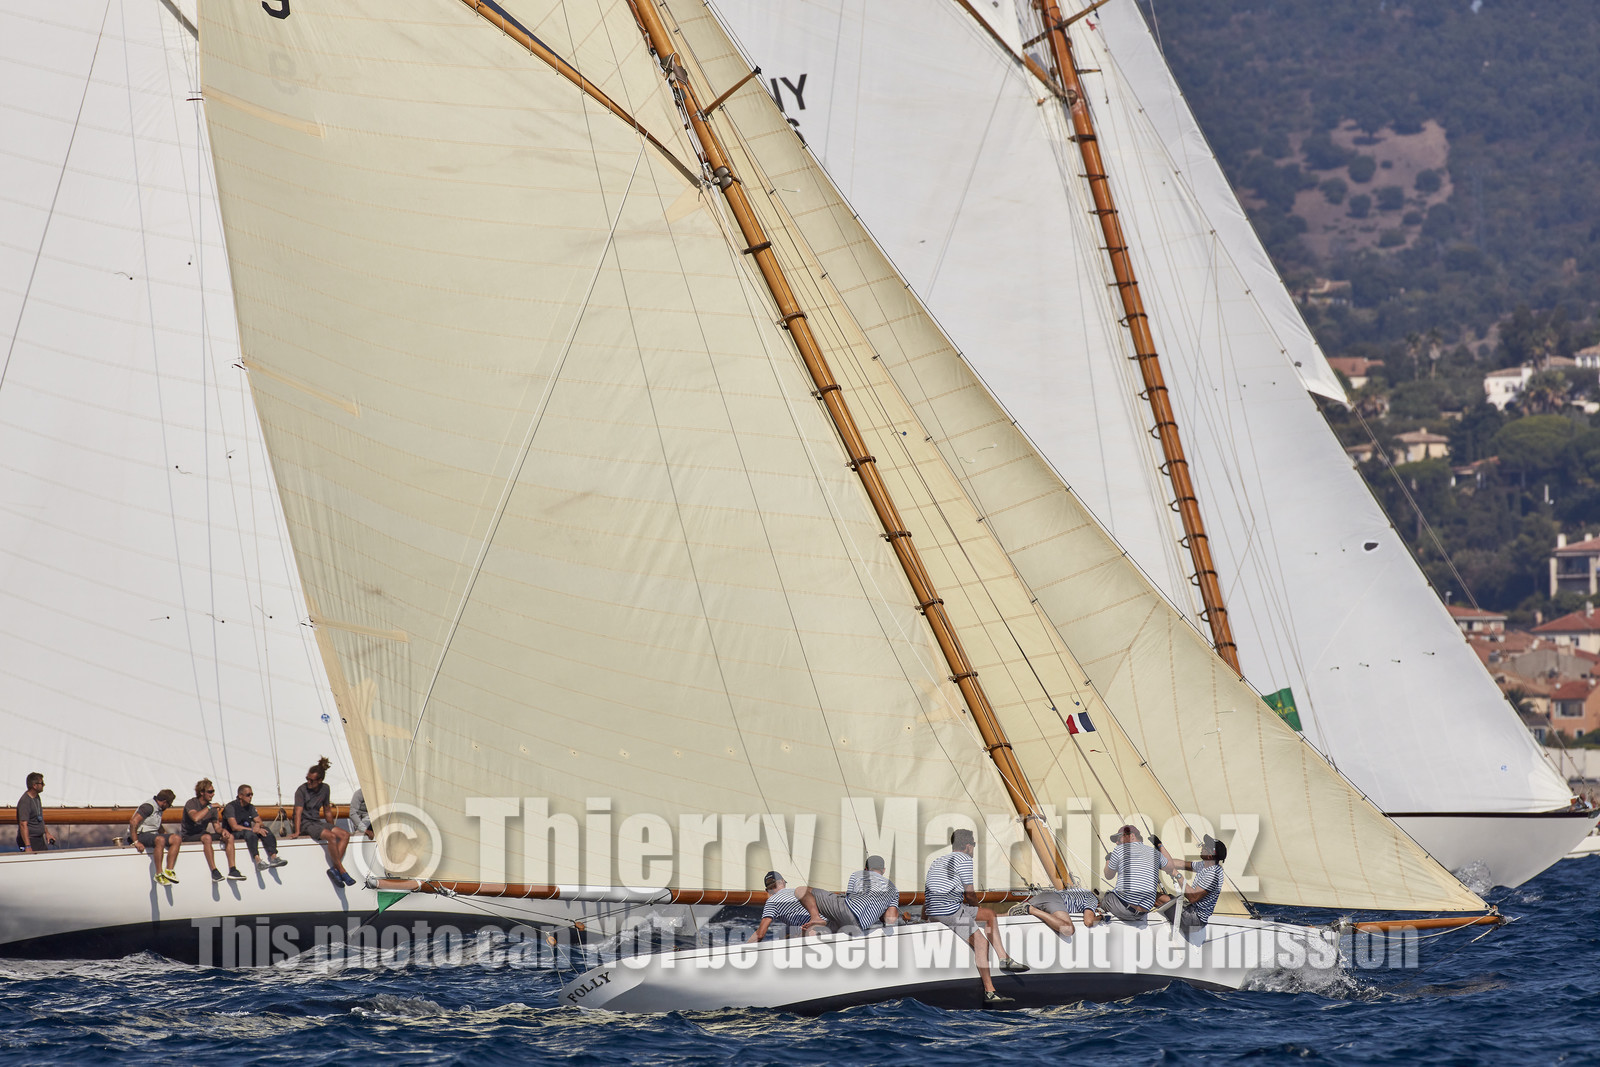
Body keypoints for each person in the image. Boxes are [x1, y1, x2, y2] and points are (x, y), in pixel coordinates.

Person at [924, 828, 1028, 1005]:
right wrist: (974, 908)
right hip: (949, 910)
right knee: (981, 942)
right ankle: (990, 991)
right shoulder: (964, 859)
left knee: (989, 914)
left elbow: (930, 890)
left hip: (936, 909)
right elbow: (970, 893)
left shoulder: (938, 860)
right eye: (973, 845)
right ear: (967, 846)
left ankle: (1004, 959)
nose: (973, 849)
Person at [295, 756, 353, 887]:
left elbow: (327, 810)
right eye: (307, 779)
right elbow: (298, 812)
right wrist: (297, 831)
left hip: (316, 821)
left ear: (320, 780)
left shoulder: (325, 788)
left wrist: (332, 826)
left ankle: (334, 869)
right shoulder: (301, 790)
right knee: (331, 837)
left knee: (344, 835)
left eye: (311, 780)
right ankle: (342, 870)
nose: (308, 782)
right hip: (306, 823)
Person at [1155, 834, 1228, 935]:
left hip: (1194, 921)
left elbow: (1192, 897)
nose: (1202, 848)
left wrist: (1178, 875)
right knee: (1160, 897)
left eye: (1205, 847)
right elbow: (1180, 864)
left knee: (1154, 897)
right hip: (1190, 910)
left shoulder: (1212, 875)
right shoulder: (1206, 864)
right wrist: (1159, 847)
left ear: (1211, 855)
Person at [1100, 824, 1170, 920]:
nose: (1116, 842)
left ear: (1131, 836)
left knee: (1105, 898)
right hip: (1142, 913)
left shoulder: (1119, 850)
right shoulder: (1154, 853)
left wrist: (1108, 860)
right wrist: (1159, 845)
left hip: (1124, 909)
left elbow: (1108, 875)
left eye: (1119, 838)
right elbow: (1170, 867)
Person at [223, 785, 288, 873]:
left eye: (252, 795)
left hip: (247, 831)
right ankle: (257, 860)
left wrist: (258, 825)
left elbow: (260, 822)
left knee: (266, 830)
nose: (250, 797)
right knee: (250, 833)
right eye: (248, 795)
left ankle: (274, 857)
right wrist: (253, 829)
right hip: (233, 833)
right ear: (240, 795)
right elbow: (234, 827)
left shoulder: (250, 807)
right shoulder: (230, 807)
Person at [748, 871, 827, 942]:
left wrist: (744, 950)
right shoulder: (797, 891)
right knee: (788, 931)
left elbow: (759, 935)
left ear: (767, 890)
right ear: (783, 882)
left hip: (814, 931)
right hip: (831, 922)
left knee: (784, 934)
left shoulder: (772, 901)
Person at [181, 779, 233, 882]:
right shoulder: (192, 803)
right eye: (210, 792)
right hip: (188, 835)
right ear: (201, 792)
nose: (213, 794)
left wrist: (223, 830)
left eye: (213, 791)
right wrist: (210, 806)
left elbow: (217, 827)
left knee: (229, 836)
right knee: (207, 837)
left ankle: (233, 869)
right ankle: (214, 871)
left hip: (202, 834)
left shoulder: (212, 808)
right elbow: (195, 817)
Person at [127, 789, 180, 884]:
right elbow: (133, 822)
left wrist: (168, 837)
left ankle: (169, 871)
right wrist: (136, 842)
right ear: (164, 802)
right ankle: (159, 874)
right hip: (140, 834)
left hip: (152, 834)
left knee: (176, 838)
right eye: (169, 805)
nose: (168, 807)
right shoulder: (148, 807)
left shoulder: (159, 809)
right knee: (160, 840)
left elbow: (156, 825)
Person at [1021, 879, 1103, 937]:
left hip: (1045, 895)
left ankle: (1024, 908)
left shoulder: (1083, 891)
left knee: (1010, 915)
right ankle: (1031, 909)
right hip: (1055, 901)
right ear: (1099, 903)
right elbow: (1088, 922)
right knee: (1068, 929)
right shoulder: (1093, 899)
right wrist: (1100, 917)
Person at [843, 855, 901, 930]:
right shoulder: (893, 889)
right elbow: (890, 920)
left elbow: (849, 899)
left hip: (846, 918)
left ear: (865, 869)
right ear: (883, 870)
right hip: (863, 925)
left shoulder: (855, 875)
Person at [15, 772, 56, 853]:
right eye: (42, 783)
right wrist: (28, 846)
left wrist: (47, 833)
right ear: (34, 785)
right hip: (30, 839)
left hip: (39, 839)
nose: (44, 785)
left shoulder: (36, 797)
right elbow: (23, 825)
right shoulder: (25, 802)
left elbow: (40, 818)